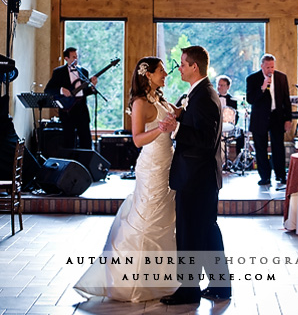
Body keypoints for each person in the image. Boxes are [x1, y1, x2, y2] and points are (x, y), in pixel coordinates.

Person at [74, 56, 178, 302]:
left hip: (167, 164)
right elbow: (138, 139)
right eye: (161, 71)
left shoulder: (159, 98)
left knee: (165, 218)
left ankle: (161, 278)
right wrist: (161, 128)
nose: (165, 74)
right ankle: (131, 282)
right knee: (147, 218)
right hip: (152, 166)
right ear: (148, 74)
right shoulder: (141, 102)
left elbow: (175, 114)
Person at [160, 46, 231, 306]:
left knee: (190, 234)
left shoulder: (205, 97)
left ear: (194, 68)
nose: (179, 68)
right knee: (206, 232)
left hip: (197, 178)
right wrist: (181, 115)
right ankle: (221, 286)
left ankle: (189, 290)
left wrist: (176, 127)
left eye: (182, 63)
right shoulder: (197, 94)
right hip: (198, 177)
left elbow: (205, 140)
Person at [246, 53, 292, 189]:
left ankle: (280, 175)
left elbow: (286, 100)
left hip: (277, 117)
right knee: (261, 148)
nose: (270, 70)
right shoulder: (253, 79)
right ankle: (264, 177)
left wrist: (288, 119)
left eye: (272, 67)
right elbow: (250, 99)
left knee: (278, 147)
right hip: (260, 119)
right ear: (262, 66)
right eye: (267, 67)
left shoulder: (281, 78)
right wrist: (262, 87)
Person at [44, 47, 98, 150]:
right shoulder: (59, 72)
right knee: (69, 141)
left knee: (85, 140)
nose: (76, 59)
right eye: (73, 57)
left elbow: (84, 92)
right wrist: (61, 90)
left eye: (76, 56)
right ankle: (70, 164)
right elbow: (48, 90)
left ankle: (85, 165)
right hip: (67, 111)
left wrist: (93, 87)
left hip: (82, 110)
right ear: (66, 58)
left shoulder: (84, 72)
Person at [217, 75, 244, 155]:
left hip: (229, 126)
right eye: (218, 85)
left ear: (228, 87)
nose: (219, 87)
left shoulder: (232, 100)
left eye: (222, 85)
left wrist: (232, 123)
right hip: (216, 126)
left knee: (241, 133)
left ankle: (239, 158)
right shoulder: (213, 98)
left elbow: (236, 115)